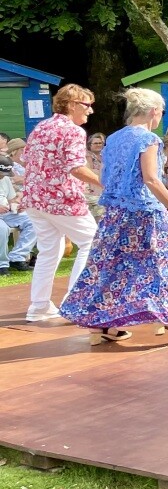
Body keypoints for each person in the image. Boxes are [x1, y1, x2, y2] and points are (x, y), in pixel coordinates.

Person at [61, 88, 168, 342]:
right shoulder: (148, 139)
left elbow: (105, 177)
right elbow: (152, 180)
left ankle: (103, 325)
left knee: (112, 268)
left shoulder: (114, 138)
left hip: (115, 213)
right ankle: (167, 315)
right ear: (154, 111)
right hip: (144, 213)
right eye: (161, 112)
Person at [22, 85, 101, 323]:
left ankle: (39, 307)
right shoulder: (74, 131)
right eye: (86, 105)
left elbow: (27, 160)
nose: (91, 111)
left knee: (49, 251)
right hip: (62, 200)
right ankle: (74, 302)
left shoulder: (40, 127)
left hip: (35, 200)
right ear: (72, 104)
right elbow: (75, 167)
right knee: (93, 243)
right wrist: (104, 183)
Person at [0, 172, 36, 273]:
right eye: (1, 174)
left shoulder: (5, 179)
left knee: (34, 222)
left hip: (7, 213)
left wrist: (17, 205)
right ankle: (2, 265)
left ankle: (17, 257)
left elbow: (11, 199)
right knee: (2, 229)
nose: (3, 176)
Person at [84, 132, 106, 219]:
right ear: (90, 145)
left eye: (100, 143)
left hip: (102, 191)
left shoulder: (105, 156)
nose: (98, 145)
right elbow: (86, 173)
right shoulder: (86, 156)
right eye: (96, 143)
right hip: (91, 191)